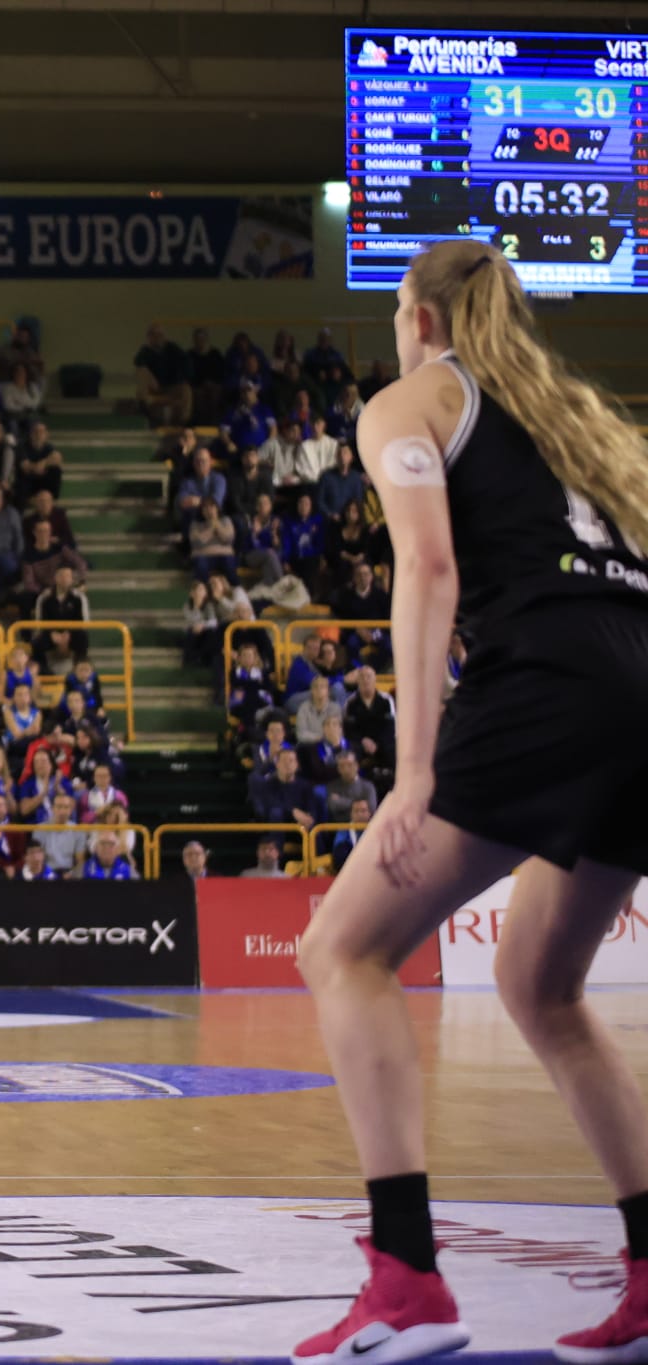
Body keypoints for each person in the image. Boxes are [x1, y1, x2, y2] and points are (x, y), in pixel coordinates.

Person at [291, 239, 648, 1360]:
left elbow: (429, 572)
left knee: (338, 950)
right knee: (537, 984)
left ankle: (404, 1284)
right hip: (640, 683)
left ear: (419, 320)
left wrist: (411, 773)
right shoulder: (574, 421)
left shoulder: (408, 399)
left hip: (550, 682)